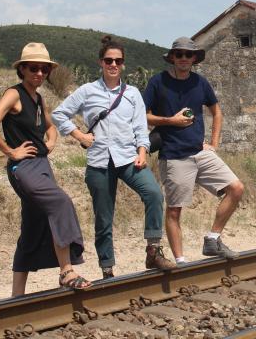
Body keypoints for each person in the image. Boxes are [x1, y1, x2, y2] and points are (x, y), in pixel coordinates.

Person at [52, 36, 175, 279]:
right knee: (104, 218)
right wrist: (79, 135)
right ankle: (107, 269)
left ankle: (153, 250)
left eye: (118, 61)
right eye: (109, 60)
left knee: (153, 193)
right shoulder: (87, 91)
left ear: (123, 64)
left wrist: (142, 152)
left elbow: (141, 127)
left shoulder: (132, 94)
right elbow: (59, 114)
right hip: (99, 161)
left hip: (128, 157)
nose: (113, 64)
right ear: (101, 62)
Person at [0, 43, 90, 295]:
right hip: (24, 167)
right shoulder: (14, 94)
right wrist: (10, 151)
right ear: (22, 69)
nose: (39, 73)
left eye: (44, 69)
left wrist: (51, 140)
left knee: (33, 224)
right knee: (60, 202)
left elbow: (50, 127)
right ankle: (66, 271)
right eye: (33, 68)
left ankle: (16, 296)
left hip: (42, 165)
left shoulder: (38, 98)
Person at [144, 37, 245, 266]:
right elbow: (143, 115)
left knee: (236, 188)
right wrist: (170, 120)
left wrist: (214, 143)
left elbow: (216, 112)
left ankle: (213, 239)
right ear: (172, 57)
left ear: (194, 59)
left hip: (200, 152)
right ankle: (181, 262)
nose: (183, 59)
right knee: (174, 211)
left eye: (188, 55)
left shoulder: (200, 83)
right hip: (174, 155)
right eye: (178, 54)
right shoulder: (158, 82)